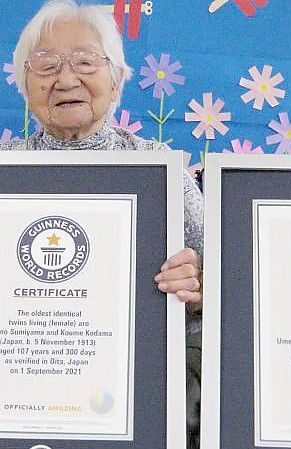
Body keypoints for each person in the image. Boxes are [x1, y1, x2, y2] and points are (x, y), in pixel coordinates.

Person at [2, 0, 203, 446]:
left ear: (116, 81)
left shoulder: (162, 171)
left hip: (137, 401)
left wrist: (199, 282)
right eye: (46, 64)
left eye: (85, 61)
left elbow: (222, 286)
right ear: (24, 84)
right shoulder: (5, 171)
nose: (66, 78)